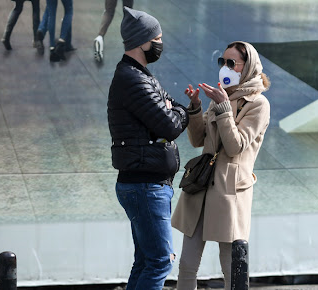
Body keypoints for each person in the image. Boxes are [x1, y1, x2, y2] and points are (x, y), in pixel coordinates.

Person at [171, 41, 271, 290]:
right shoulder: (219, 100)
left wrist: (225, 107)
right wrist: (195, 108)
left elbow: (235, 146)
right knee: (187, 264)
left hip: (230, 193)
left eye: (231, 63)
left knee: (231, 266)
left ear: (246, 67)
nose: (224, 68)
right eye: (222, 62)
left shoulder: (258, 104)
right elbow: (197, 140)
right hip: (201, 187)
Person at [107, 7, 189, 290]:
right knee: (160, 261)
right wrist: (181, 112)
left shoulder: (141, 76)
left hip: (147, 184)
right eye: (158, 38)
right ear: (143, 42)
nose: (160, 44)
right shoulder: (134, 80)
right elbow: (170, 125)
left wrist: (174, 108)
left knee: (146, 260)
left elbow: (173, 105)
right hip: (145, 186)